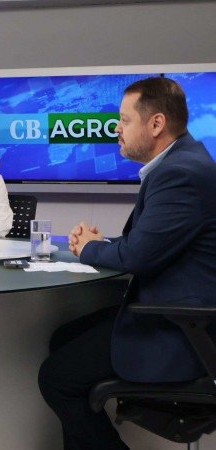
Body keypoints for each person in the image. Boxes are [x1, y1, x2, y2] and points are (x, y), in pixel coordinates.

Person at [38, 77, 216, 449]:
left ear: (156, 124)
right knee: (63, 339)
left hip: (180, 329)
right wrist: (99, 244)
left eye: (124, 119)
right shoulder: (184, 161)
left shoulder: (179, 173)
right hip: (174, 313)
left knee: (56, 377)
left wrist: (88, 249)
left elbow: (138, 256)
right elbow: (153, 243)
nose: (116, 129)